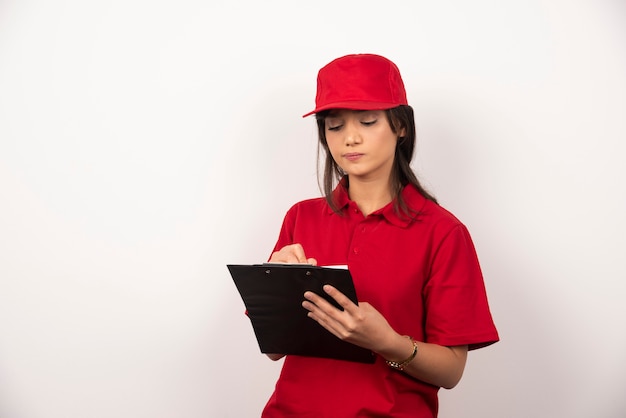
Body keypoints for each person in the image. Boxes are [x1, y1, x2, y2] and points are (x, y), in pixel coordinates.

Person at [261, 53, 499, 417]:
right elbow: (274, 350)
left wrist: (387, 343)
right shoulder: (301, 217)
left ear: (401, 126)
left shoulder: (443, 232)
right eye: (335, 126)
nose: (350, 138)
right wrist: (275, 286)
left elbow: (451, 371)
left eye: (368, 121)